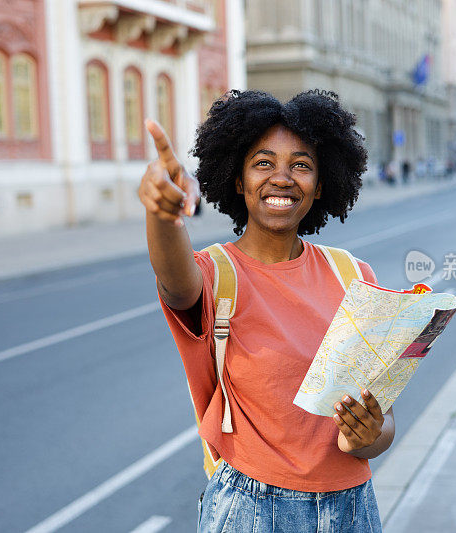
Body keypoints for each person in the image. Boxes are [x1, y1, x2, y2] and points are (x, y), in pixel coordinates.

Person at [138, 89, 393, 532]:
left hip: (353, 510)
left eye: (301, 165)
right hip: (253, 511)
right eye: (263, 163)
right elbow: (176, 283)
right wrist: (165, 215)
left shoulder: (354, 274)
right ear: (238, 180)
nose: (282, 177)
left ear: (320, 184)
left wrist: (372, 435)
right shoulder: (215, 274)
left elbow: (384, 417)